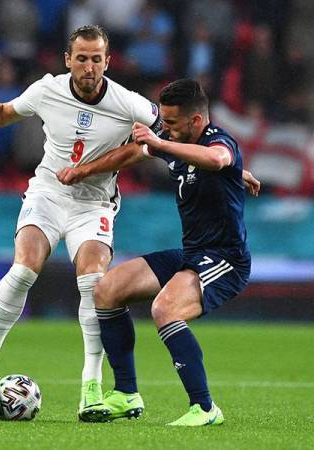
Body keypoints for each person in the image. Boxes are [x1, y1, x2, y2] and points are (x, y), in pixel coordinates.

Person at [0, 25, 162, 418]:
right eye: (81, 58)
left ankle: (91, 384)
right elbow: (4, 113)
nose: (88, 67)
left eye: (96, 59)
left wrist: (93, 168)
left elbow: (159, 138)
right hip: (48, 194)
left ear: (107, 61)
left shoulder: (129, 103)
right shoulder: (47, 89)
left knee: (93, 283)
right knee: (24, 269)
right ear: (68, 60)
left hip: (95, 204)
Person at [57, 78, 260, 425]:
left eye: (171, 123)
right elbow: (134, 153)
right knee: (106, 290)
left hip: (226, 259)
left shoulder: (218, 140)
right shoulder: (173, 140)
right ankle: (125, 393)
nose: (164, 129)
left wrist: (163, 144)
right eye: (162, 122)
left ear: (196, 121)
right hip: (192, 252)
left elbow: (217, 158)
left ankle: (206, 408)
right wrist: (84, 170)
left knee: (165, 308)